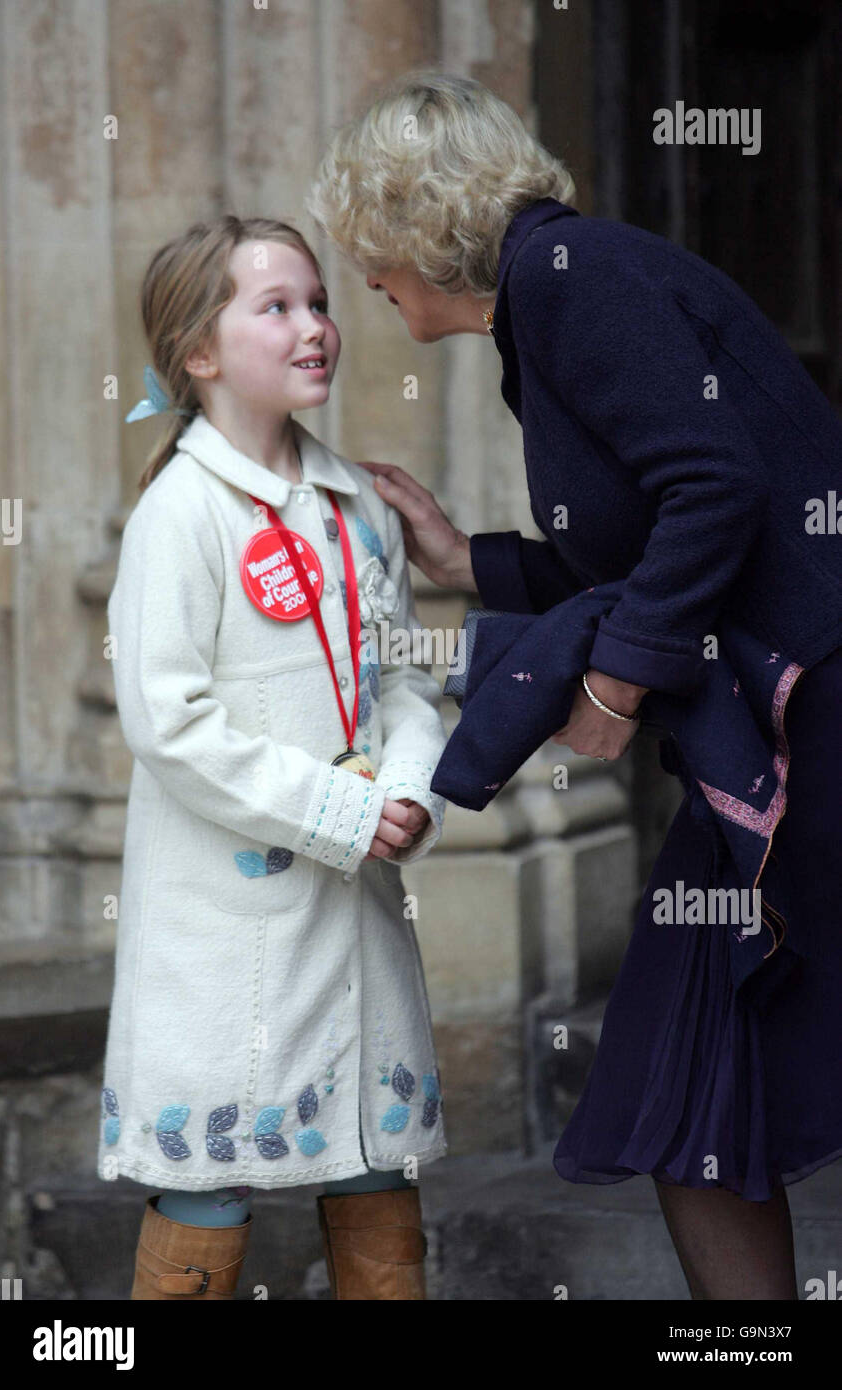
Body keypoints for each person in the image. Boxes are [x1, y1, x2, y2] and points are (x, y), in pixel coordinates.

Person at [305, 69, 842, 1300]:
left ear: (412, 226)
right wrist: (469, 560)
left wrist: (608, 686)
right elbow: (648, 527)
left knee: (698, 1081)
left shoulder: (569, 278)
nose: (363, 283)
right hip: (763, 749)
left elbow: (714, 490)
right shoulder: (552, 298)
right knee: (690, 1090)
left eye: (363, 250)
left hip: (810, 726)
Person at [98, 213, 449, 1301]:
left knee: (370, 1163)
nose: (315, 328)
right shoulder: (181, 514)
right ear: (199, 353)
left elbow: (401, 681)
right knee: (213, 1171)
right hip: (226, 930)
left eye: (319, 302)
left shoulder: (357, 507)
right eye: (276, 306)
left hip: (355, 912)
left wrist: (405, 792)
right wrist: (335, 812)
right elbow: (169, 720)